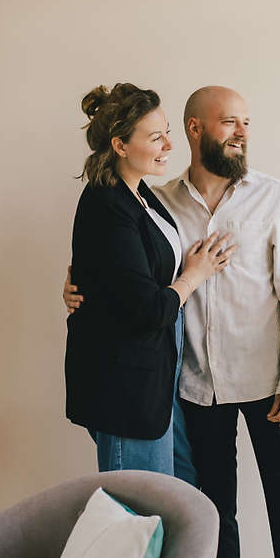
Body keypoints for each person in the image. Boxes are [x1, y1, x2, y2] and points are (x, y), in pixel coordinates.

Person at [64, 86, 280, 558]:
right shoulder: (158, 202)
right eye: (230, 122)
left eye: (246, 122)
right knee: (213, 516)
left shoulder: (274, 196)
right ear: (195, 128)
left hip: (269, 384)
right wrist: (77, 286)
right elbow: (122, 271)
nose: (243, 132)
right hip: (195, 390)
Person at [64, 82, 234, 477]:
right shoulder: (105, 204)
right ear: (120, 145)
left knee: (178, 492)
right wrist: (195, 275)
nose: (169, 147)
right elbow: (148, 308)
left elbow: (124, 276)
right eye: (156, 138)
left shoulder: (141, 193)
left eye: (167, 134)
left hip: (156, 377)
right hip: (126, 386)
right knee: (136, 516)